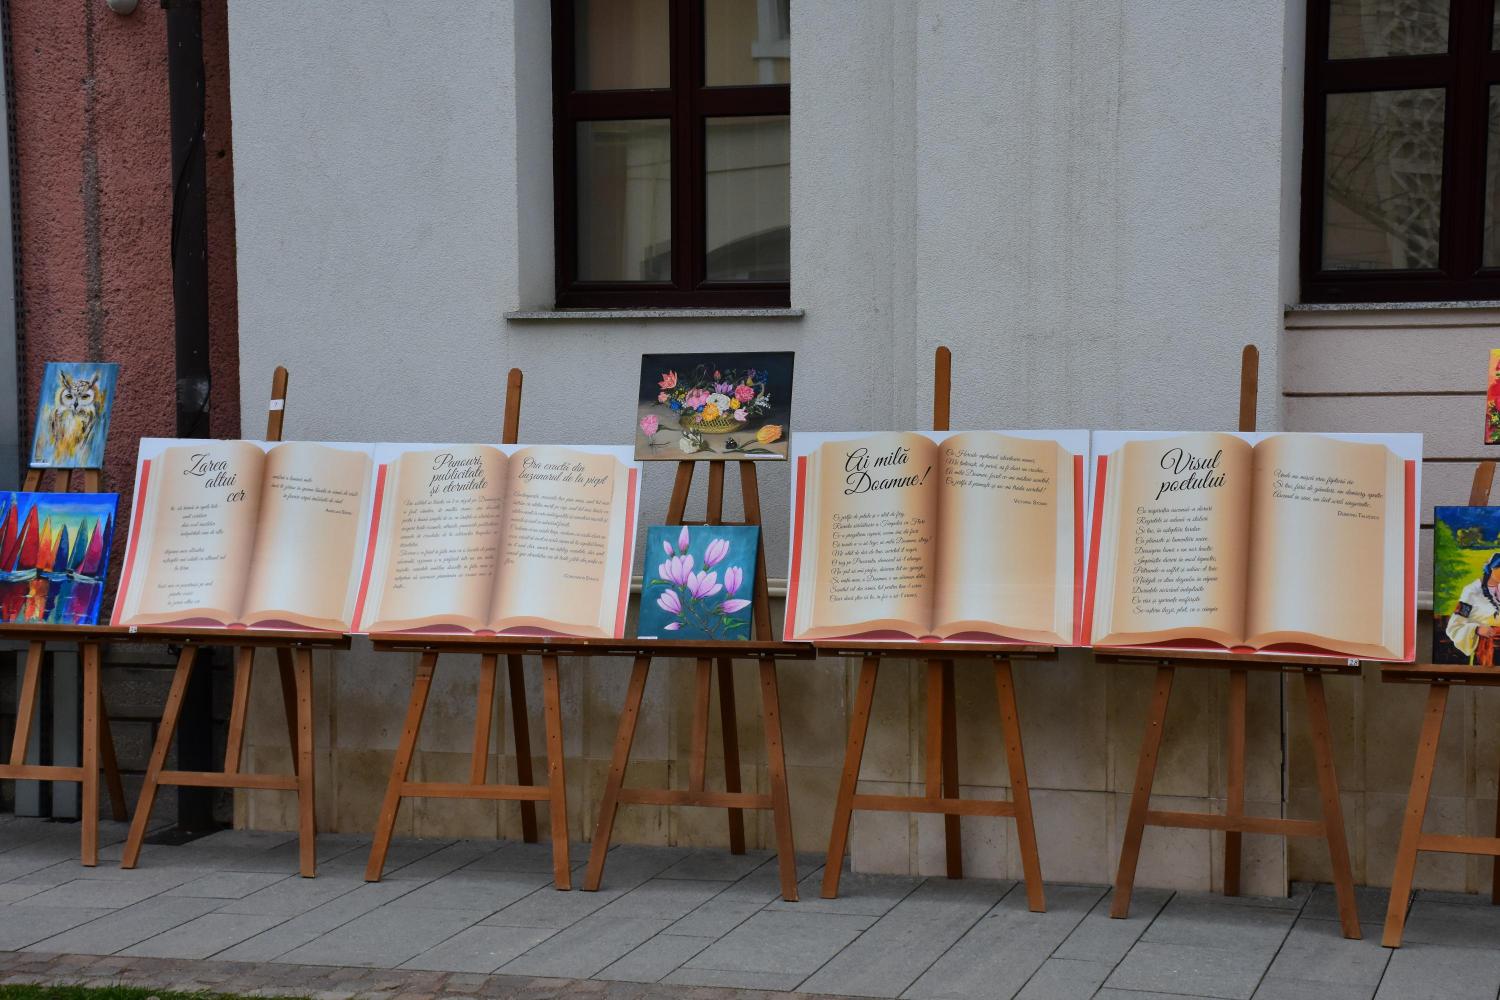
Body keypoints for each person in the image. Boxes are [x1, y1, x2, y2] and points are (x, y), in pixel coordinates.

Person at [1446, 553, 1500, 666]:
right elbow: (1454, 627)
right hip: (1486, 654)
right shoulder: (1471, 592)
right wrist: (1477, 629)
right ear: (1492, 568)